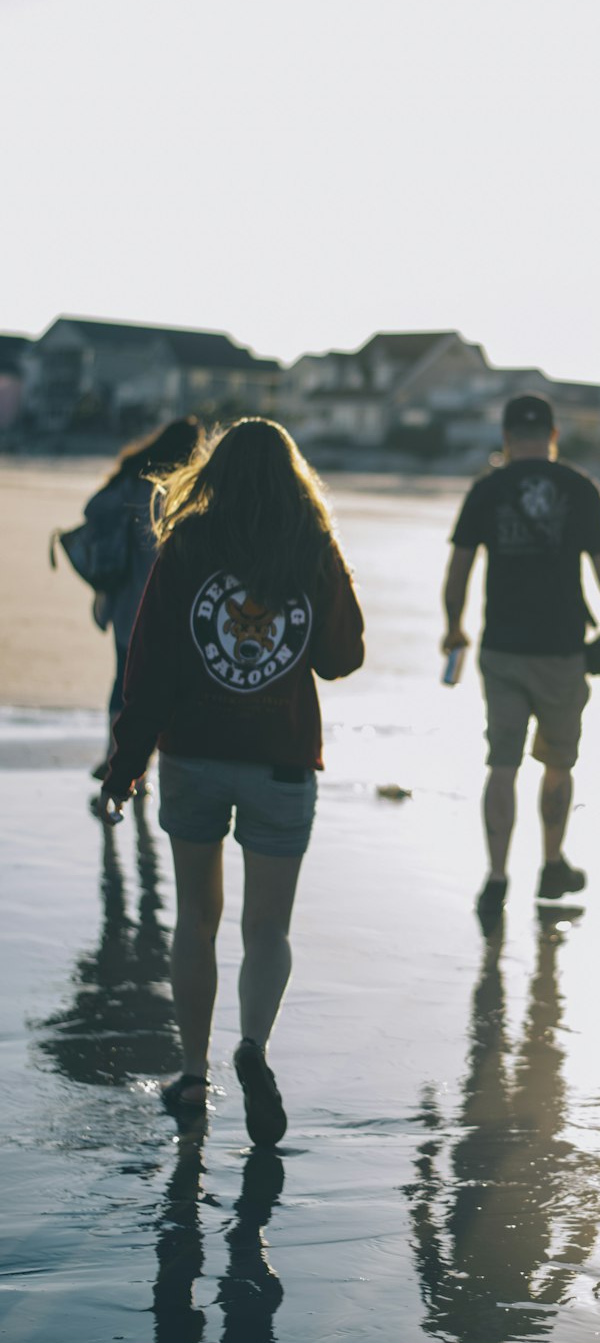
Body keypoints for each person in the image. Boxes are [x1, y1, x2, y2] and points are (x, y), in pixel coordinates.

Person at [99, 419, 365, 1145]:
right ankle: (253, 1048)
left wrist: (124, 769)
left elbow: (146, 669)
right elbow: (343, 658)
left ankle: (191, 1077)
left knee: (196, 921)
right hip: (280, 760)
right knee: (267, 930)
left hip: (195, 758)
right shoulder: (310, 544)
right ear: (294, 475)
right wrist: (327, 567)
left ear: (214, 474)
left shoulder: (186, 544)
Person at [442, 394, 600, 920]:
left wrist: (454, 626)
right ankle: (551, 864)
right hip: (561, 651)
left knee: (502, 765)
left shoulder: (486, 490)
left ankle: (496, 877)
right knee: (556, 763)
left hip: (502, 648)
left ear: (505, 438)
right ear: (553, 436)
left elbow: (458, 570)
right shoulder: (578, 488)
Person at [86, 417, 204, 774]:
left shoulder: (131, 478)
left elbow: (92, 509)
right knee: (160, 685)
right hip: (166, 606)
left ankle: (114, 757)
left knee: (124, 680)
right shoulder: (183, 492)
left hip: (125, 601)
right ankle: (140, 764)